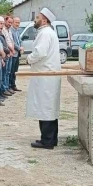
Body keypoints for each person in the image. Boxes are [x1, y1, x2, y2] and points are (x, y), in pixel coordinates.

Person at [26, 8, 62, 149]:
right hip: (47, 75)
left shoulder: (45, 33)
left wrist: (29, 59)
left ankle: (47, 141)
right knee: (49, 107)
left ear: (44, 20)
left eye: (38, 17)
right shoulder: (47, 32)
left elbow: (40, 52)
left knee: (45, 107)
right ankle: (51, 139)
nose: (35, 20)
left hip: (45, 76)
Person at [10, 17, 23, 92]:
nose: (17, 24)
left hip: (17, 53)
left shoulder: (17, 31)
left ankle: (13, 84)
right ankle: (11, 85)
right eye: (16, 22)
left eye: (18, 22)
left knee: (15, 70)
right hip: (13, 53)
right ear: (13, 22)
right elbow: (12, 43)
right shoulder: (11, 31)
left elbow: (19, 40)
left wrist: (21, 47)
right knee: (11, 71)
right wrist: (19, 48)